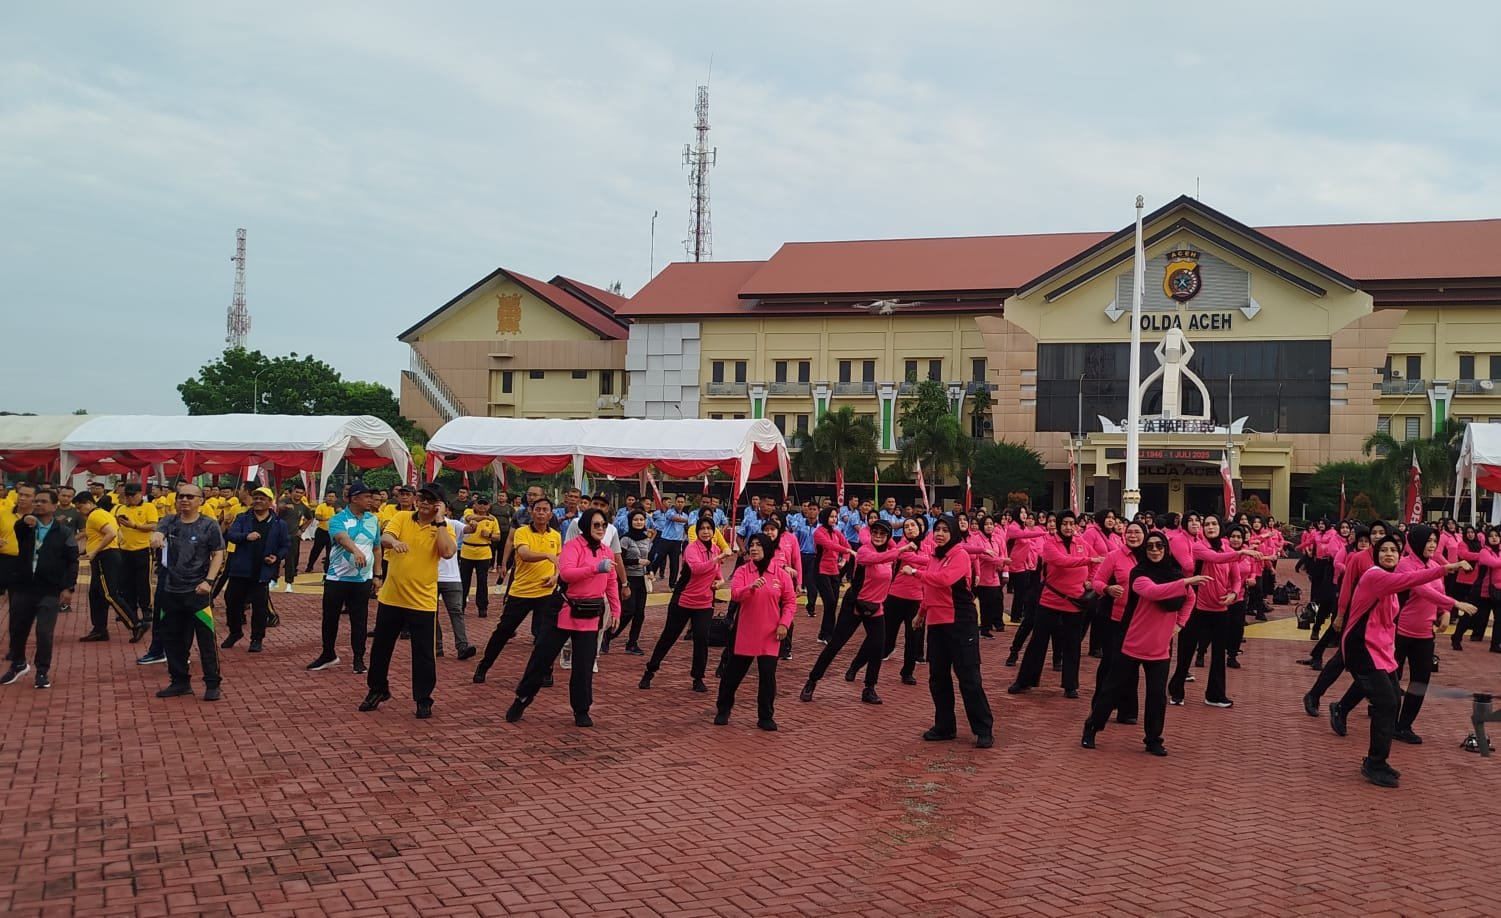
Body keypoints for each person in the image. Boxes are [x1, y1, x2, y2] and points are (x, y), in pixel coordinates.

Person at [1330, 532, 1466, 787]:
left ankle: (1377, 759)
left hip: (1380, 650)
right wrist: (1447, 569)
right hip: (1361, 649)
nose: (1389, 554)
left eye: (1394, 549)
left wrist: (1447, 606)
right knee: (1386, 702)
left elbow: (1406, 602)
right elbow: (1412, 578)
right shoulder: (1374, 576)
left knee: (1391, 699)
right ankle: (1374, 762)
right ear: (1376, 554)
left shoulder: (1390, 581)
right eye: (1383, 550)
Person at [1082, 533, 1207, 756]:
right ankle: (1092, 727)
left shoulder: (1174, 574)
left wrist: (1180, 623)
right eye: (1150, 547)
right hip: (1133, 640)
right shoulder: (1139, 573)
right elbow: (1153, 592)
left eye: (1160, 546)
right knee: (1112, 688)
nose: (1155, 550)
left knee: (1157, 695)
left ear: (1167, 549)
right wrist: (1187, 581)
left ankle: (1153, 739)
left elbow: (1190, 599)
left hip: (1160, 646)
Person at [506, 508, 621, 727]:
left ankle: (581, 709)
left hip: (589, 614)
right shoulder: (573, 546)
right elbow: (567, 573)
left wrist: (616, 610)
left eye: (603, 525)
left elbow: (611, 582)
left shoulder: (606, 552)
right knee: (542, 659)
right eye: (595, 524)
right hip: (564, 611)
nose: (600, 529)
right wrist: (595, 568)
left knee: (584, 665)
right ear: (585, 526)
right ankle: (522, 699)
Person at [361, 482, 456, 718]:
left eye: (431, 500)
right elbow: (385, 537)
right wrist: (394, 542)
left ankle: (423, 698)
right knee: (381, 649)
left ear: (440, 505)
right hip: (391, 597)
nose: (424, 503)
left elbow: (447, 552)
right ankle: (377, 689)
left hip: (422, 601)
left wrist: (441, 520)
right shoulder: (402, 517)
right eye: (422, 498)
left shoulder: (444, 528)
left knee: (423, 654)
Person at [800, 519, 911, 704]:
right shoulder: (865, 550)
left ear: (888, 537)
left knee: (878, 647)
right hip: (855, 605)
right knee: (835, 644)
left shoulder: (891, 555)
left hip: (876, 607)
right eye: (875, 532)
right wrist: (899, 550)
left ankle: (869, 688)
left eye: (882, 534)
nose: (877, 536)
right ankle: (812, 681)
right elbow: (874, 559)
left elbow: (902, 556)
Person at [916, 515, 994, 748]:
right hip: (937, 624)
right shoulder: (934, 557)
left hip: (961, 622)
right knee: (938, 678)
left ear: (953, 533)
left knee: (968, 677)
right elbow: (930, 590)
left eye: (944, 530)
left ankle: (983, 729)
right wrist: (921, 613)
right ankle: (944, 726)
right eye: (937, 530)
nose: (940, 534)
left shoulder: (959, 554)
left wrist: (915, 572)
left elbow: (944, 580)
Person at [1392, 525, 1474, 744]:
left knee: (1420, 681)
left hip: (1425, 634)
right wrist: (1455, 603)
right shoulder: (1403, 565)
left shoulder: (1436, 564)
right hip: (1400, 632)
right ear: (1416, 542)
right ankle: (1343, 707)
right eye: (1427, 540)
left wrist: (1445, 612)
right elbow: (1421, 589)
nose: (1431, 545)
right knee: (1389, 679)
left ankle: (1403, 726)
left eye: (1434, 541)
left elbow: (1439, 592)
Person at [1008, 510, 1102, 698]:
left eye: (1071, 523)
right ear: (1059, 525)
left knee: (1072, 644)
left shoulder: (1081, 543)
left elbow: (1097, 564)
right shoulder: (1050, 543)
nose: (1068, 527)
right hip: (1051, 600)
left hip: (1075, 601)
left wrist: (1090, 581)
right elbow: (1061, 561)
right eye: (1064, 523)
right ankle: (1025, 680)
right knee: (1038, 641)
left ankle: (1070, 685)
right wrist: (1089, 560)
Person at [150, 484, 228, 701]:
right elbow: (158, 532)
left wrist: (209, 581)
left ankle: (212, 683)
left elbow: (218, 554)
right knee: (173, 639)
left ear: (200, 500)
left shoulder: (209, 525)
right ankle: (179, 682)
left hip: (197, 592)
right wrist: (156, 537)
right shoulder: (169, 521)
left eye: (190, 497)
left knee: (206, 641)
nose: (185, 500)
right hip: (170, 591)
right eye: (181, 496)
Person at [473, 496, 562, 683]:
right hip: (521, 592)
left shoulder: (555, 535)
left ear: (550, 514)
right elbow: (524, 554)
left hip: (546, 593)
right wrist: (546, 555)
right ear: (531, 511)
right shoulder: (522, 532)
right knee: (503, 632)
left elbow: (558, 562)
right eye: (537, 509)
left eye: (545, 510)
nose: (541, 513)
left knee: (545, 635)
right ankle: (484, 665)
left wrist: (555, 576)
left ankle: (546, 671)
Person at [716, 533, 796, 730]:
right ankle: (723, 709)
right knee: (732, 675)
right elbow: (735, 594)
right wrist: (750, 588)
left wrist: (784, 623)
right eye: (751, 545)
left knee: (767, 676)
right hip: (746, 632)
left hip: (771, 634)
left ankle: (765, 716)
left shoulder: (780, 574)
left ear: (767, 549)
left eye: (759, 545)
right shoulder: (743, 571)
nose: (753, 548)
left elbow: (790, 602)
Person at [2, 488, 79, 689]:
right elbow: (20, 525)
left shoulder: (64, 532)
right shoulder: (27, 527)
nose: (38, 504)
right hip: (23, 587)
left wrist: (69, 587)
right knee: (18, 630)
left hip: (49, 589)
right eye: (36, 501)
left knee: (44, 632)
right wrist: (26, 518)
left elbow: (72, 561)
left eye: (43, 501)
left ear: (54, 506)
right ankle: (18, 663)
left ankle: (42, 671)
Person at [640, 518, 724, 693]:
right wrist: (719, 558)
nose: (706, 532)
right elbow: (698, 569)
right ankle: (650, 671)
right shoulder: (691, 549)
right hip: (683, 601)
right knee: (669, 637)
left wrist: (720, 581)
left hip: (705, 603)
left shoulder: (715, 549)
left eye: (709, 528)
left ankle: (698, 678)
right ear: (696, 531)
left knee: (701, 639)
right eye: (702, 529)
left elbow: (717, 574)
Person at [309, 481, 383, 673]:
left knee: (360, 620)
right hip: (337, 578)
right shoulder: (338, 519)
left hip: (362, 580)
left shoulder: (373, 520)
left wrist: (377, 574)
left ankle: (359, 658)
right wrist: (356, 551)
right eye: (367, 497)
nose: (371, 500)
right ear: (354, 498)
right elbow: (342, 538)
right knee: (330, 618)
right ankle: (328, 654)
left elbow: (376, 547)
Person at [71, 489, 146, 642]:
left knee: (109, 593)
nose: (79, 511)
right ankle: (99, 629)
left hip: (104, 556)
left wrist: (94, 551)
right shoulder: (104, 514)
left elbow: (111, 533)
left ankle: (136, 623)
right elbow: (118, 535)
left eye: (80, 507)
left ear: (88, 503)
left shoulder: (96, 515)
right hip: (108, 554)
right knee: (96, 593)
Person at [221, 486, 289, 653]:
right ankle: (235, 632)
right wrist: (246, 536)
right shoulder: (243, 518)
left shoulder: (279, 523)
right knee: (231, 602)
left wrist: (276, 557)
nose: (258, 501)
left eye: (262, 498)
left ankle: (257, 639)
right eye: (256, 497)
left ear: (269, 502)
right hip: (240, 569)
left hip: (262, 571)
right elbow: (231, 535)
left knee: (259, 607)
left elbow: (285, 545)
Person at [112, 483, 159, 629]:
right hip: (125, 550)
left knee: (143, 582)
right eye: (128, 495)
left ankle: (146, 610)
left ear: (140, 494)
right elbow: (113, 525)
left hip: (143, 549)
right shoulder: (120, 508)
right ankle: (130, 610)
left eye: (133, 495)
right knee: (126, 582)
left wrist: (134, 526)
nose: (130, 498)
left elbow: (153, 526)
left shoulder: (148, 507)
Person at [605, 509, 651, 655]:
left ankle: (632, 643)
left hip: (641, 579)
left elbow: (647, 558)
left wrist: (650, 571)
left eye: (641, 520)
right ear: (630, 522)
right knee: (628, 611)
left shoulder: (646, 538)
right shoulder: (625, 539)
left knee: (640, 613)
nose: (639, 522)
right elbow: (620, 560)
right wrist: (637, 561)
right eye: (635, 520)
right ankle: (607, 636)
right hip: (628, 578)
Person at [434, 513, 476, 660]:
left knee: (456, 611)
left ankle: (462, 646)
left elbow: (469, 530)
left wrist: (473, 524)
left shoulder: (452, 523)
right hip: (430, 577)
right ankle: (437, 647)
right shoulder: (420, 523)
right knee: (432, 613)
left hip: (452, 576)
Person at [811, 506, 853, 644]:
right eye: (831, 516)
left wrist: (844, 559)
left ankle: (824, 634)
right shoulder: (818, 532)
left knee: (833, 604)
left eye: (835, 517)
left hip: (834, 571)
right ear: (824, 517)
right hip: (821, 570)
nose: (834, 519)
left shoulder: (836, 532)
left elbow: (847, 546)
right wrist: (847, 550)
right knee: (829, 601)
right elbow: (829, 546)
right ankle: (828, 633)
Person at [457, 494, 500, 618]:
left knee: (482, 581)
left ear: (489, 506)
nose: (482, 506)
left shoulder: (493, 519)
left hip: (484, 553)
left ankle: (482, 607)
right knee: (464, 581)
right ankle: (461, 606)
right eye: (479, 503)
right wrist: (485, 518)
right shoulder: (469, 512)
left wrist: (489, 535)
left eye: (485, 504)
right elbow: (470, 518)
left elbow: (498, 536)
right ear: (475, 504)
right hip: (467, 551)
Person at [276, 486, 313, 591]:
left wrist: (302, 530)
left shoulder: (303, 507)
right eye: (297, 492)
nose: (299, 495)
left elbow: (310, 518)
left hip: (293, 536)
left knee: (290, 560)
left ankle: (289, 583)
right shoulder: (285, 500)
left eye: (301, 493)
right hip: (278, 534)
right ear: (292, 492)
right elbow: (278, 507)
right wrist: (284, 507)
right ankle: (273, 580)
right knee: (275, 557)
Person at [304, 490, 339, 573]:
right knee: (316, 550)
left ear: (335, 499)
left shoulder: (337, 508)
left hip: (332, 533)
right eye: (329, 496)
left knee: (330, 552)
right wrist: (327, 518)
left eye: (332, 497)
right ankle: (310, 565)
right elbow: (317, 516)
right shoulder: (321, 506)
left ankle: (327, 570)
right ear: (326, 497)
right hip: (322, 531)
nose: (330, 498)